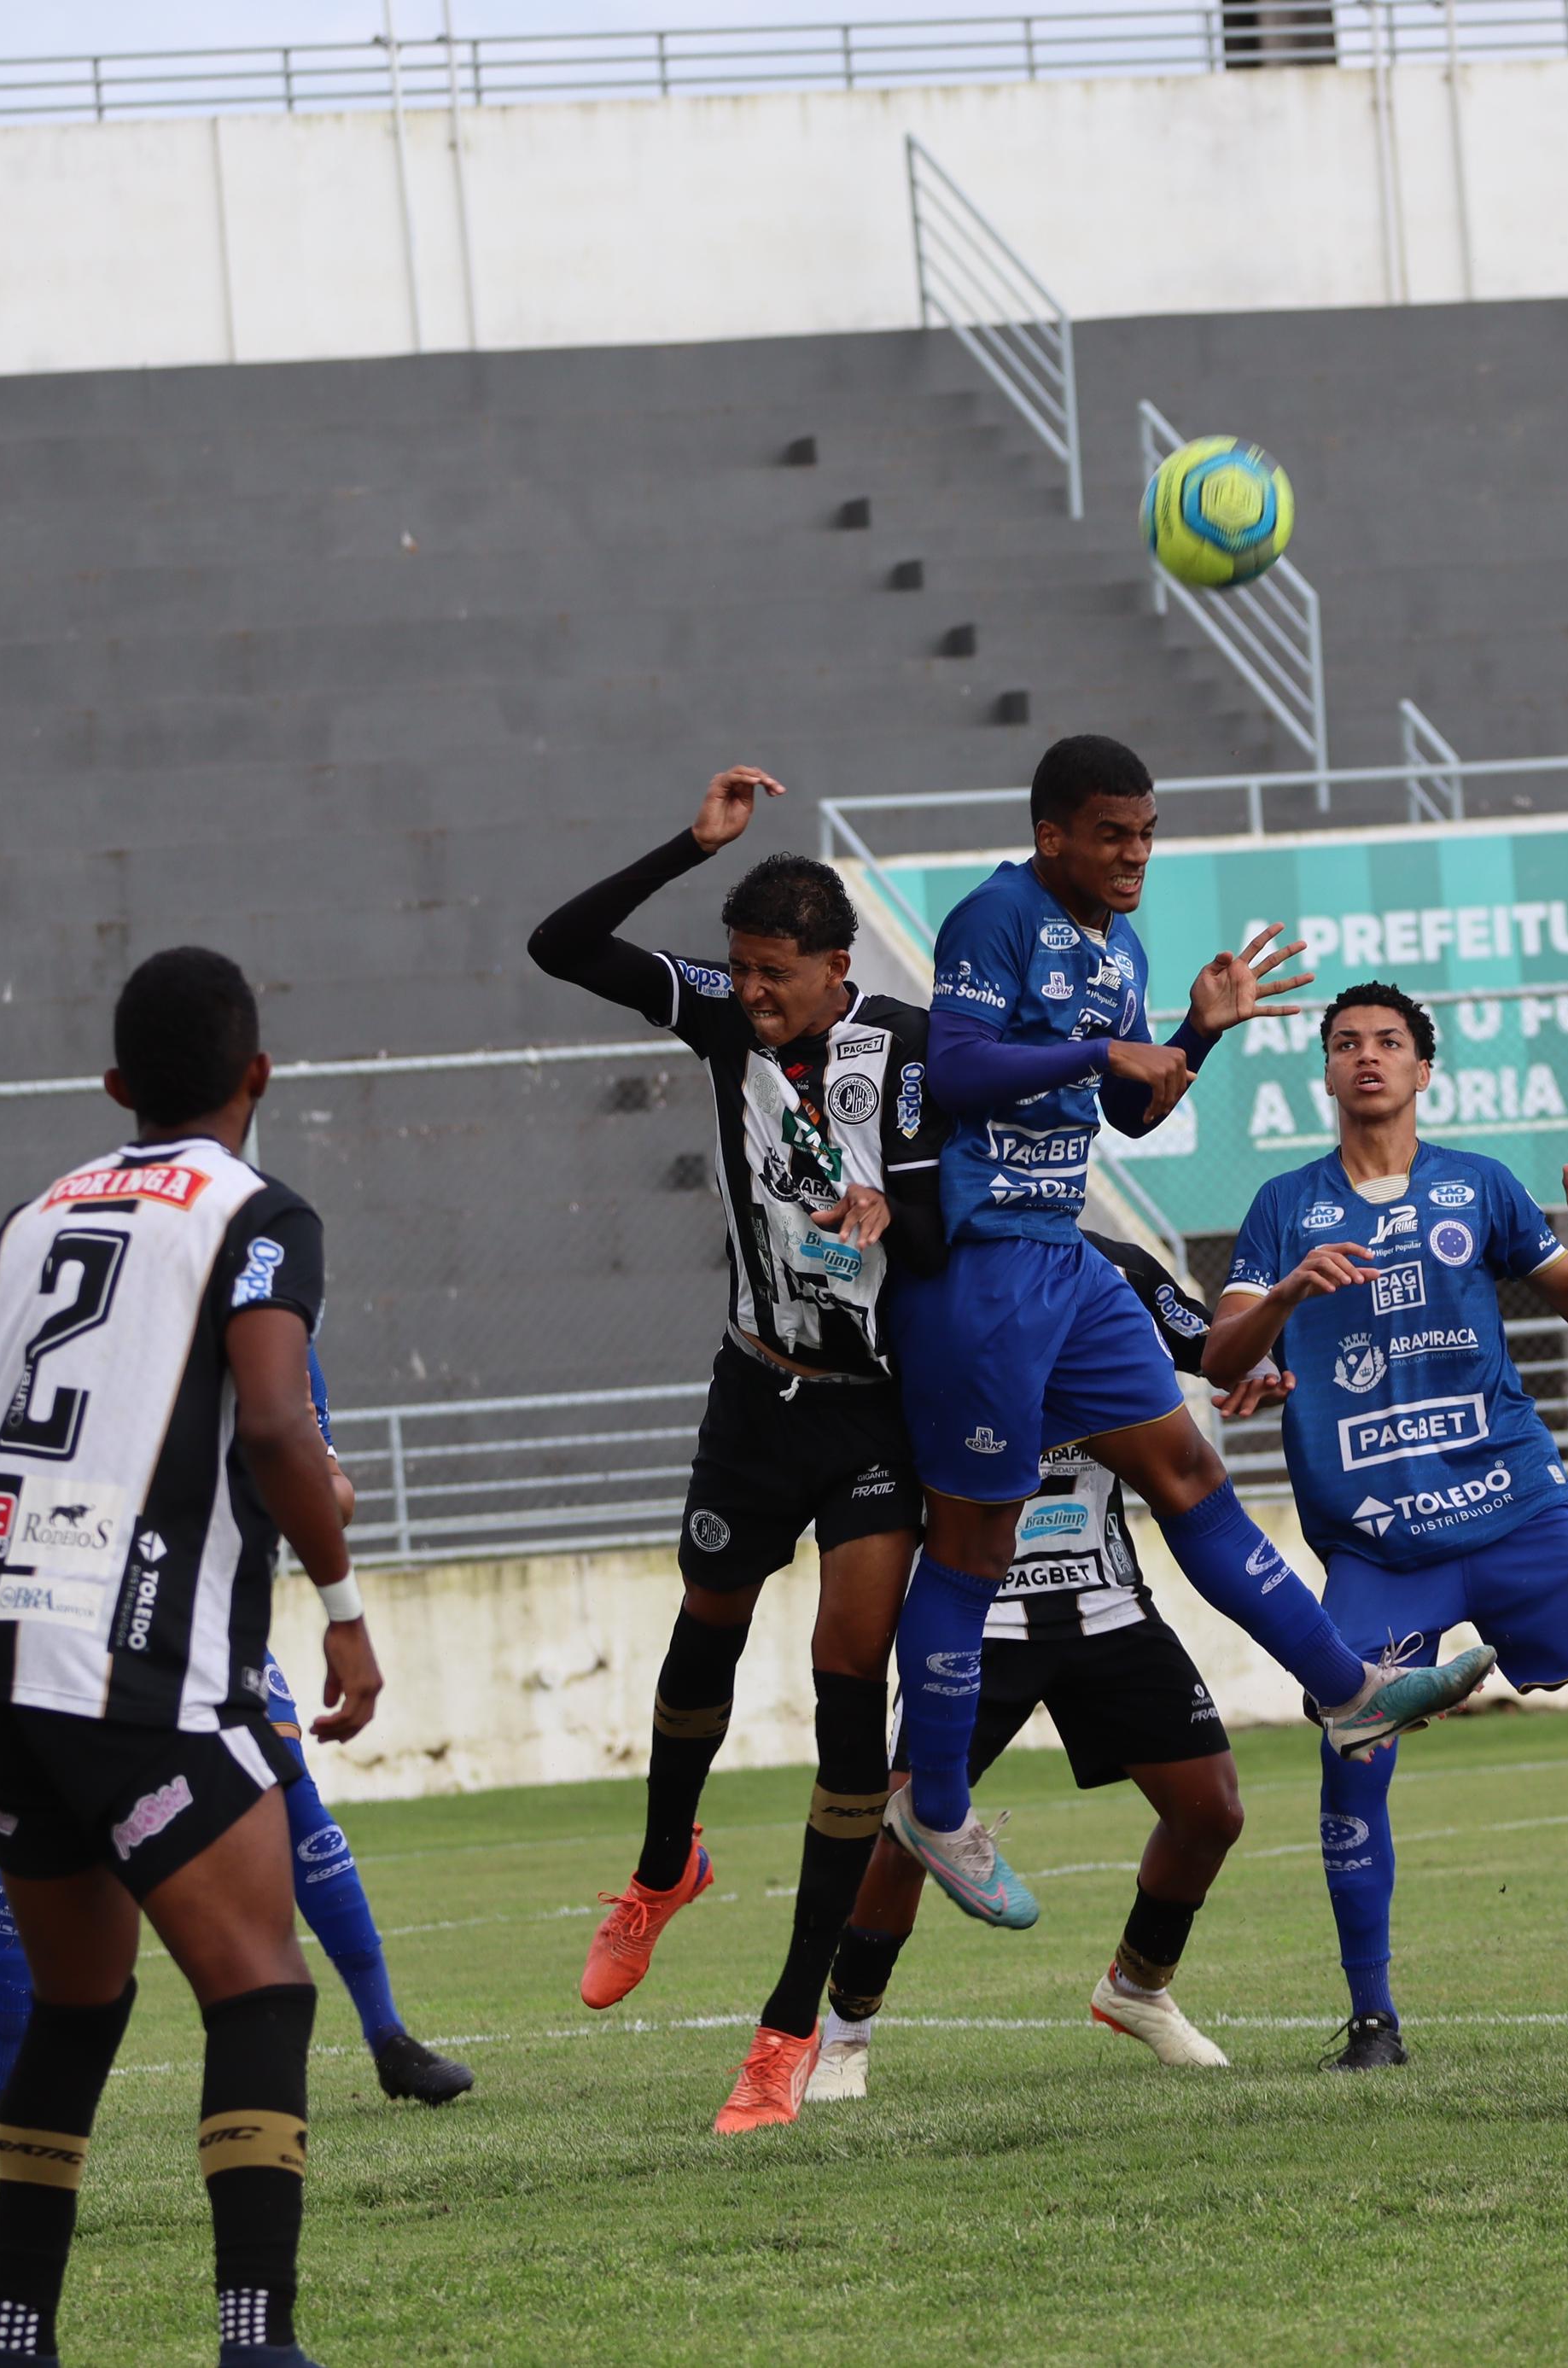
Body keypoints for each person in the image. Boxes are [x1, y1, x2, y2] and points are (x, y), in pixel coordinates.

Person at [886, 734, 1499, 1934]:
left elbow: (1123, 1104)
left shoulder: (1122, 947)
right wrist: (1100, 1045)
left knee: (1189, 1466)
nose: (1135, 855)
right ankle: (937, 1801)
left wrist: (1196, 1034)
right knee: (972, 1545)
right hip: (979, 1270)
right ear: (1054, 832)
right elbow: (953, 1070)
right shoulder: (993, 916)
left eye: (1148, 833)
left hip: (1061, 1257)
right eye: (1113, 834)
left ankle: (1348, 1688)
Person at [0, 947, 377, 2368]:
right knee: (262, 1984)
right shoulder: (258, 1210)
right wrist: (342, 1600)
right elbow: (282, 1428)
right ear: (257, 1075)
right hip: (141, 1662)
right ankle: (253, 2336)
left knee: (80, 2000)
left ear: (115, 1088)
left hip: (2, 1660)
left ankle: (16, 2336)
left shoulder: (34, 1211)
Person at [1204, 983, 1568, 2068]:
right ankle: (1372, 2016)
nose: (1367, 1057)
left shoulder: (1480, 1186)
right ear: (1324, 1072)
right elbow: (1221, 1356)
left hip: (1514, 1507)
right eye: (1346, 1043)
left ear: (1421, 1070)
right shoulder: (1281, 1208)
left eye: (1389, 1043)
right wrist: (1280, 1300)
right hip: (1375, 1541)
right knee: (1351, 1751)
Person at [523, 766, 945, 2133]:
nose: (750, 992)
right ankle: (663, 1868)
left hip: (873, 1412)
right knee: (702, 1636)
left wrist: (904, 1221)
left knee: (843, 1687)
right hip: (753, 1390)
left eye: (776, 974)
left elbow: (968, 1223)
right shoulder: (721, 1021)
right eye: (740, 969)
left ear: (838, 966)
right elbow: (559, 945)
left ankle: (783, 2035)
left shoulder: (915, 1052)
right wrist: (685, 845)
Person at [810, 1234, 1272, 2101]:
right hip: (975, 1610)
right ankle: (844, 2032)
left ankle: (1136, 1988)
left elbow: (1209, 1344)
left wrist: (1258, 1355)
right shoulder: (919, 1268)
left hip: (1104, 1600)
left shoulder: (1114, 1268)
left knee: (1210, 1810)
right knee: (911, 1823)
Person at [0, 1350, 469, 2126]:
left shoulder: (282, 1343)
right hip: (80, 1623)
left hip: (206, 1627)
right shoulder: (110, 1336)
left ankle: (389, 2039)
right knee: (39, 1850)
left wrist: (303, 1477)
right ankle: (7, 2096)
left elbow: (332, 1493)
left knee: (295, 1804)